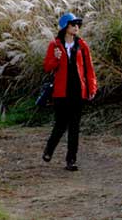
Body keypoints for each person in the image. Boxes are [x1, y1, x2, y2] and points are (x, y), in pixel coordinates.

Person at [42, 12, 97, 171]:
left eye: (78, 25)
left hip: (78, 91)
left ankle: (71, 160)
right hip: (61, 92)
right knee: (60, 124)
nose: (76, 27)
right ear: (66, 27)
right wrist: (56, 58)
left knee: (74, 127)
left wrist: (92, 87)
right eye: (73, 24)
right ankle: (49, 150)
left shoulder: (82, 45)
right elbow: (47, 67)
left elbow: (89, 69)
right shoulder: (55, 45)